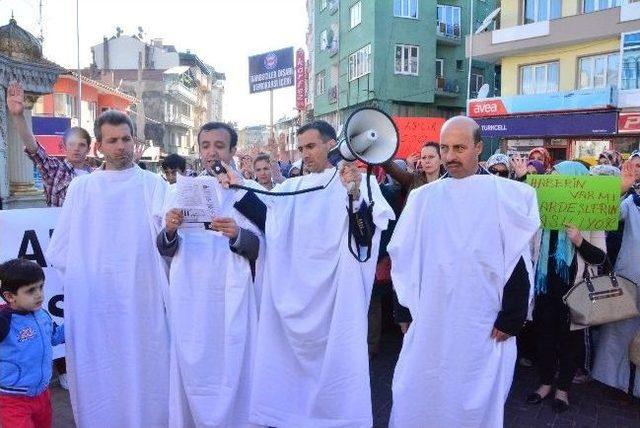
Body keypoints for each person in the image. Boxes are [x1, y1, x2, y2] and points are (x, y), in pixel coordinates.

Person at [218, 120, 394, 427]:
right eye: (301, 148)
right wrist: (236, 184)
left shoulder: (356, 182)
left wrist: (354, 196)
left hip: (336, 299)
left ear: (330, 144)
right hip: (295, 295)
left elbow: (365, 240)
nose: (305, 154)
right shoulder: (291, 187)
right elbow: (267, 219)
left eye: (310, 146)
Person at [388, 116, 540, 428]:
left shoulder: (507, 195)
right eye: (445, 147)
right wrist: (402, 310)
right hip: (431, 316)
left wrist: (512, 317)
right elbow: (404, 258)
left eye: (459, 147)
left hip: (481, 319)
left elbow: (517, 258)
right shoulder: (421, 199)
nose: (450, 156)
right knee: (419, 387)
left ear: (479, 147)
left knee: (473, 393)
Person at [46, 110, 170, 427]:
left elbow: (168, 243)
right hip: (97, 309)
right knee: (101, 373)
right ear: (99, 146)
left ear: (135, 141)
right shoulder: (83, 189)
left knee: (146, 371)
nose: (121, 147)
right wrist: (91, 283)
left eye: (126, 139)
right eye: (112, 141)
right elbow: (60, 249)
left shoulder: (154, 184)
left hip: (144, 302)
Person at [156, 121, 262, 427]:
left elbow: (263, 249)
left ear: (232, 150)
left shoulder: (249, 192)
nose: (212, 152)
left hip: (232, 294)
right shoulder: (178, 191)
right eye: (205, 146)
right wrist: (171, 230)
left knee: (234, 359)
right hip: (190, 294)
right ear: (198, 149)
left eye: (219, 145)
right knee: (193, 366)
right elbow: (164, 248)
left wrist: (237, 234)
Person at [526, 161, 607, 413]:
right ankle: (546, 383)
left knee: (570, 342)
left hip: (575, 292)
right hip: (545, 290)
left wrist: (579, 240)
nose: (554, 183)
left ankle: (563, 389)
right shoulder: (543, 212)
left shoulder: (591, 216)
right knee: (545, 339)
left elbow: (600, 257)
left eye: (560, 179)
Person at [0, 258, 65, 428]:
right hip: (12, 400)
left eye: (41, 287)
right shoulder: (3, 321)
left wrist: (73, 323)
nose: (39, 294)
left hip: (43, 395)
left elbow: (54, 338)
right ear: (9, 296)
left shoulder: (42, 315)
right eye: (30, 290)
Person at [6, 81, 93, 207]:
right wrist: (18, 116)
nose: (76, 149)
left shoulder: (96, 176)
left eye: (81, 145)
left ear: (88, 149)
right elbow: (35, 150)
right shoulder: (55, 170)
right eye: (72, 144)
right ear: (64, 147)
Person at [592, 183, 640, 397]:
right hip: (630, 275)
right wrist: (620, 189)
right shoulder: (631, 202)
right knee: (619, 330)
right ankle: (614, 381)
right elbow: (609, 217)